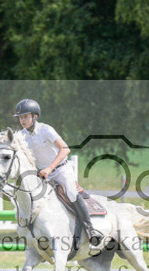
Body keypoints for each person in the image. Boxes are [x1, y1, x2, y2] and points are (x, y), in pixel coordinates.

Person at [12, 98, 104, 253]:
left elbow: (65, 149)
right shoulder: (21, 136)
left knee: (71, 194)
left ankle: (90, 229)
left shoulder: (46, 130)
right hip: (41, 175)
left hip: (61, 170)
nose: (22, 120)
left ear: (35, 116)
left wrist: (50, 168)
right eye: (20, 117)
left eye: (25, 117)